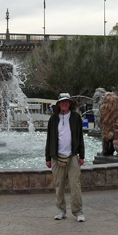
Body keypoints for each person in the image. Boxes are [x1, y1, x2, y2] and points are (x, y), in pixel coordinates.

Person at [45, 92, 86, 222]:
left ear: (69, 104)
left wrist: (82, 155)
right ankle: (61, 210)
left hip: (72, 155)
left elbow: (80, 137)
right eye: (62, 102)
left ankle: (78, 211)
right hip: (57, 157)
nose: (64, 104)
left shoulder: (75, 117)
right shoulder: (53, 119)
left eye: (66, 102)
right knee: (59, 185)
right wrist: (48, 157)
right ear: (59, 104)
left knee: (75, 184)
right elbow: (49, 139)